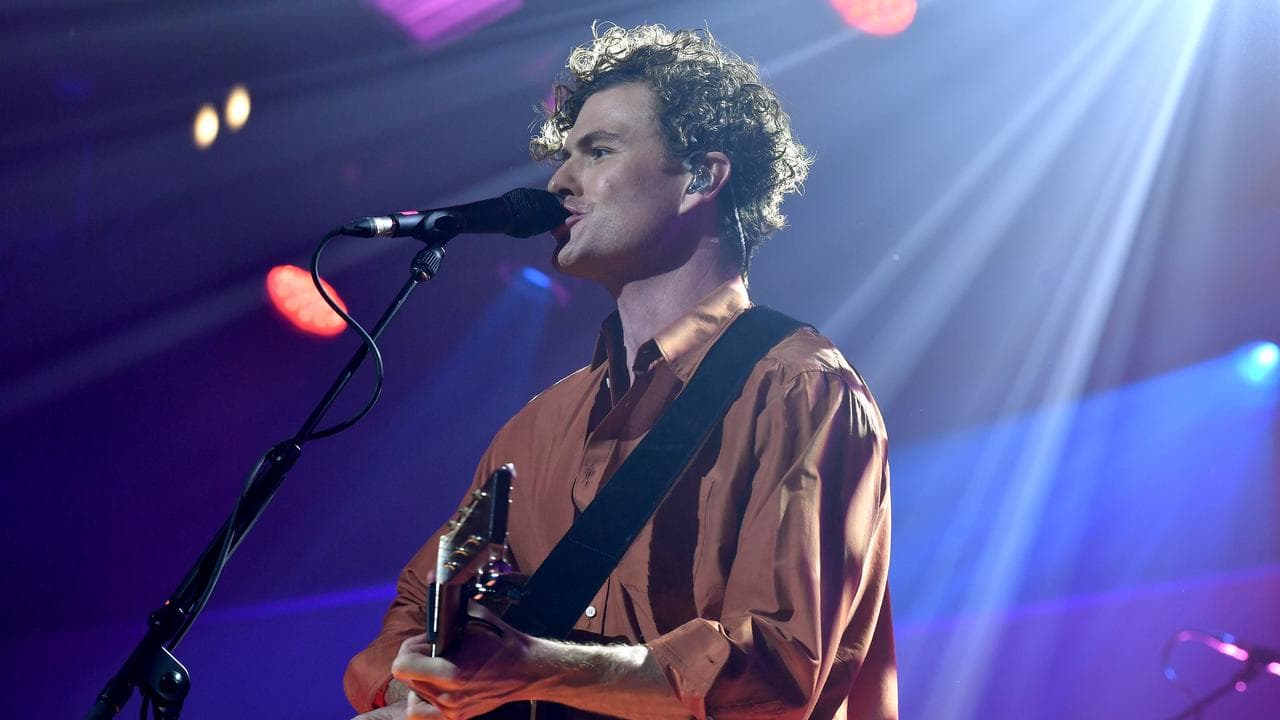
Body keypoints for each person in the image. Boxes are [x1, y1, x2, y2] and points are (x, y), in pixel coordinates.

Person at [344, 23, 896, 720]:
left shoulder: (801, 389)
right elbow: (405, 619)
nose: (558, 181)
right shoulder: (536, 428)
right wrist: (416, 693)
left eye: (597, 151)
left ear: (702, 176)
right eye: (564, 155)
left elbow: (776, 673)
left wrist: (534, 668)